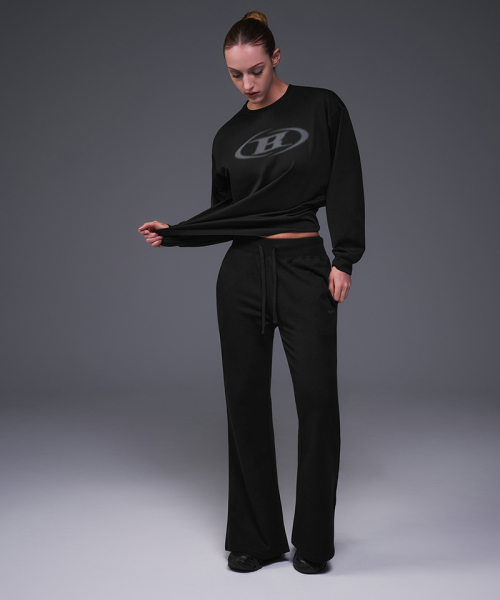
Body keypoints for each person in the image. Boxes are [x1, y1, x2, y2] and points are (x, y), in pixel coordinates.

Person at [138, 11, 365, 575]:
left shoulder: (322, 107)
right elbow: (229, 215)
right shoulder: (227, 136)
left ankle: (313, 542)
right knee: (244, 402)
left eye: (256, 70)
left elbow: (346, 180)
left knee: (317, 401)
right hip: (241, 275)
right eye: (236, 75)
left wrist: (344, 257)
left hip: (304, 267)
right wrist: (178, 233)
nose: (248, 84)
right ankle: (257, 539)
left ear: (276, 57)